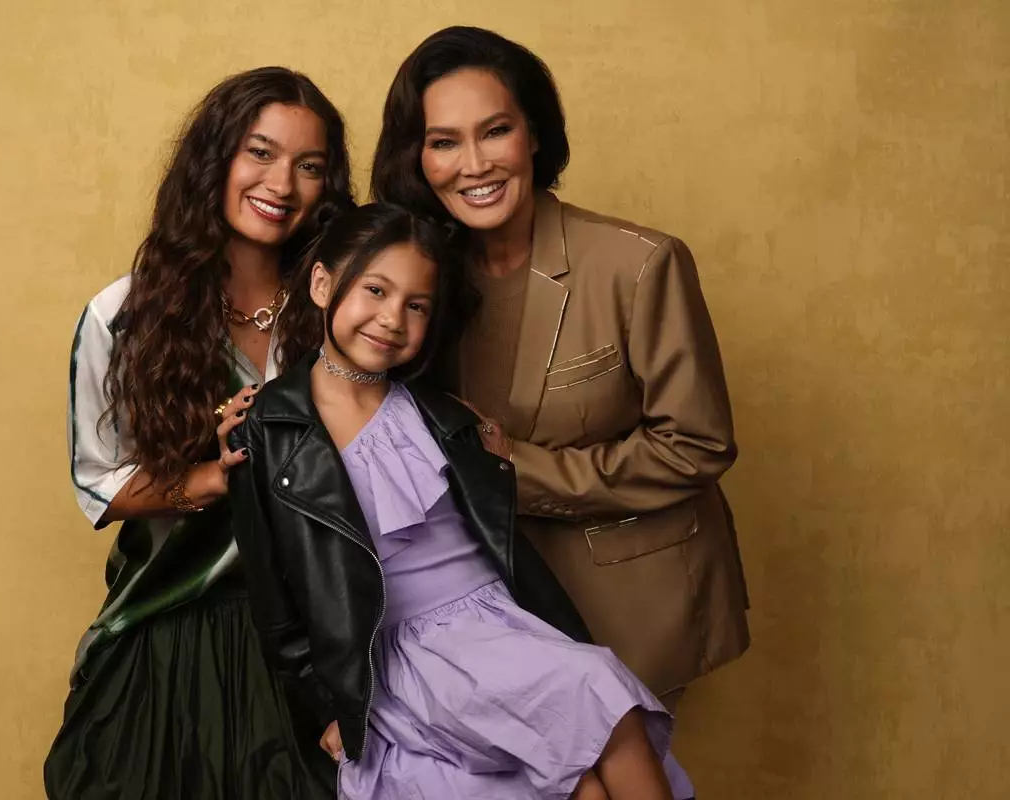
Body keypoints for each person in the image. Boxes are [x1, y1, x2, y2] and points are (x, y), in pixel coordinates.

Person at [371, 28, 750, 794]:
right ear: (418, 159)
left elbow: (697, 445)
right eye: (444, 142)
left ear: (535, 132)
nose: (473, 165)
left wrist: (516, 470)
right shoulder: (421, 280)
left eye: (496, 131)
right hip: (487, 614)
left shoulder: (639, 265)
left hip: (630, 600)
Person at [228, 202, 683, 799]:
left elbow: (499, 537)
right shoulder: (270, 428)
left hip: (500, 622)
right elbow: (273, 596)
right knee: (597, 707)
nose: (392, 318)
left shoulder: (440, 415)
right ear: (321, 284)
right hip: (408, 649)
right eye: (375, 290)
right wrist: (327, 705)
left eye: (415, 306)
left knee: (595, 748)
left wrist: (497, 456)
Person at [45, 66, 352, 800]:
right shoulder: (123, 316)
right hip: (168, 623)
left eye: (310, 167)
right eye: (261, 152)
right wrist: (211, 479)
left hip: (309, 635)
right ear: (215, 159)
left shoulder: (343, 312)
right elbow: (101, 480)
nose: (283, 183)